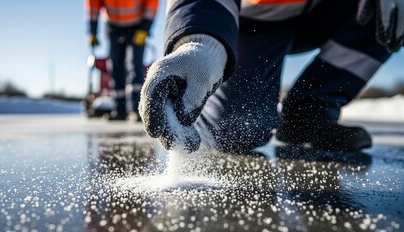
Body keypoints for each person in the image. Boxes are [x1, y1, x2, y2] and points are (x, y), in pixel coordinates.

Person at [139, 0, 403, 154]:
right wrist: (201, 43)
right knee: (238, 129)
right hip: (255, 21)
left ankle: (309, 113)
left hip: (335, 11)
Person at [86, 0, 158, 121]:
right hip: (113, 26)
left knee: (134, 65)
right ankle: (120, 110)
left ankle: (136, 109)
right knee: (115, 67)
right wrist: (93, 31)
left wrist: (145, 27)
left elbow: (152, 3)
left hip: (137, 26)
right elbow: (93, 5)